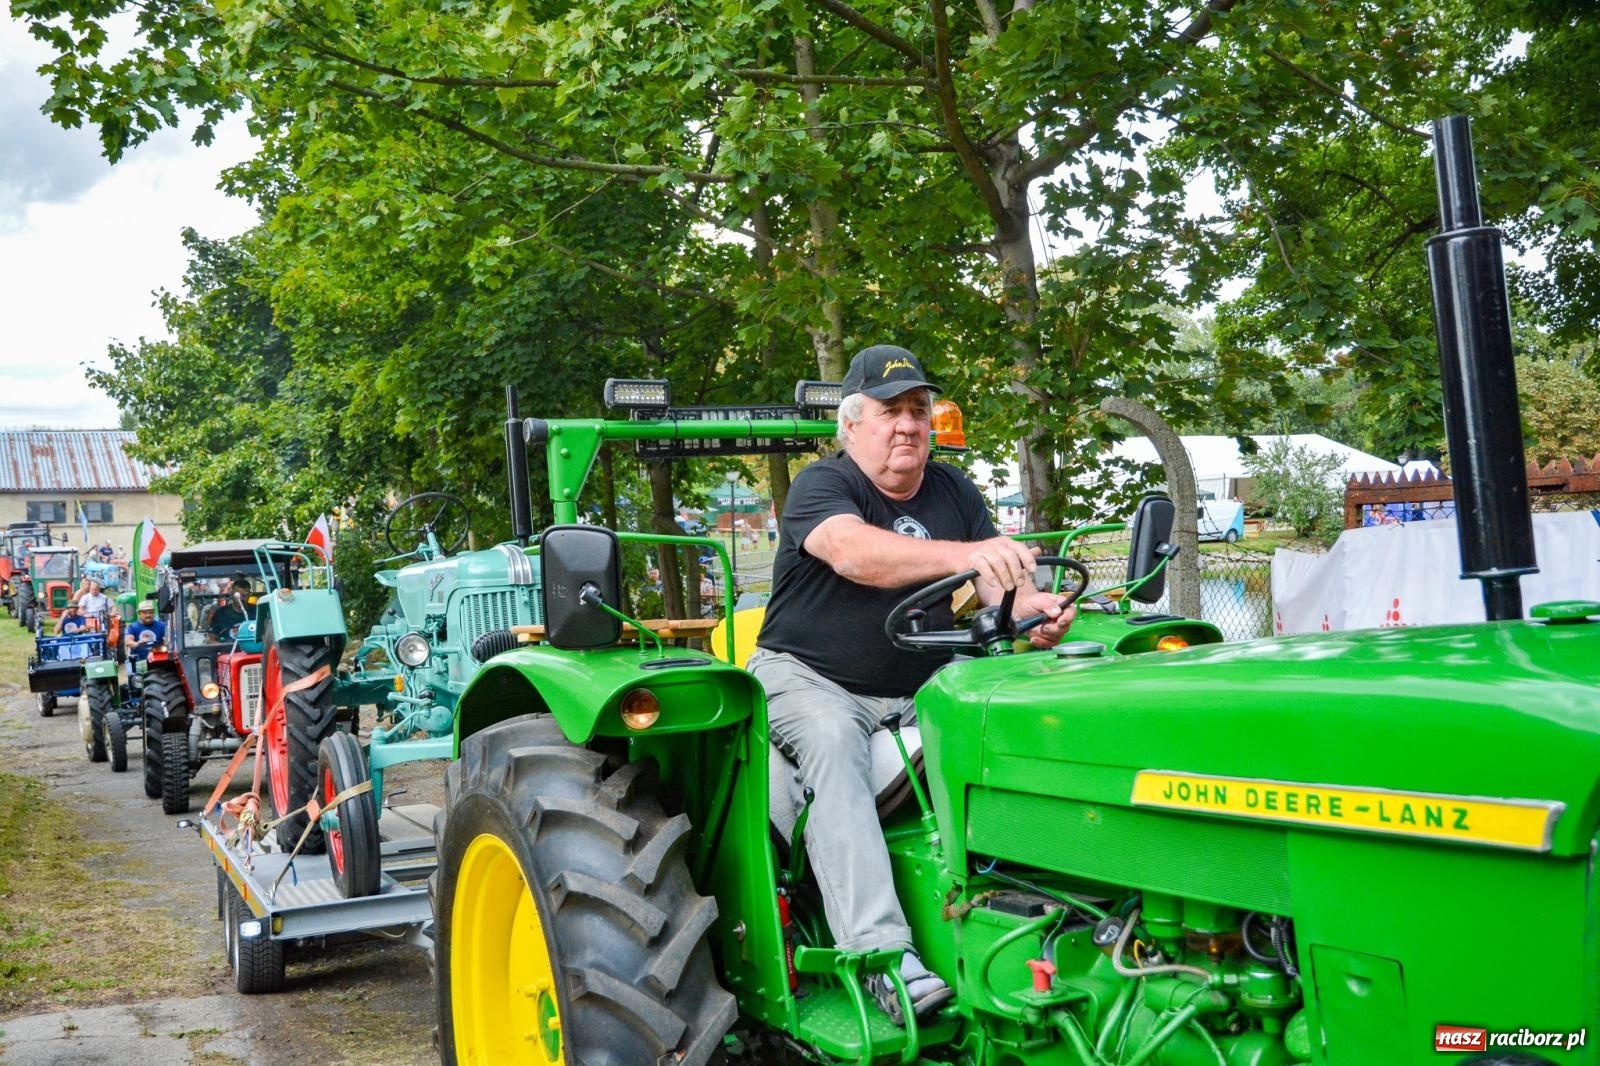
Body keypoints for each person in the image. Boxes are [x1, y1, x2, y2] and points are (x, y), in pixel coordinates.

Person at [746, 344, 1075, 1025]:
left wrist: (1032, 612)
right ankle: (882, 957)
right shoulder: (823, 486)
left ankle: (1047, 903)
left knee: (1021, 700)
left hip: (923, 680)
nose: (906, 425)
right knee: (835, 741)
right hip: (809, 678)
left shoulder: (954, 491)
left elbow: (993, 585)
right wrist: (968, 556)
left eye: (918, 411)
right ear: (852, 424)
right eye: (889, 411)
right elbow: (855, 554)